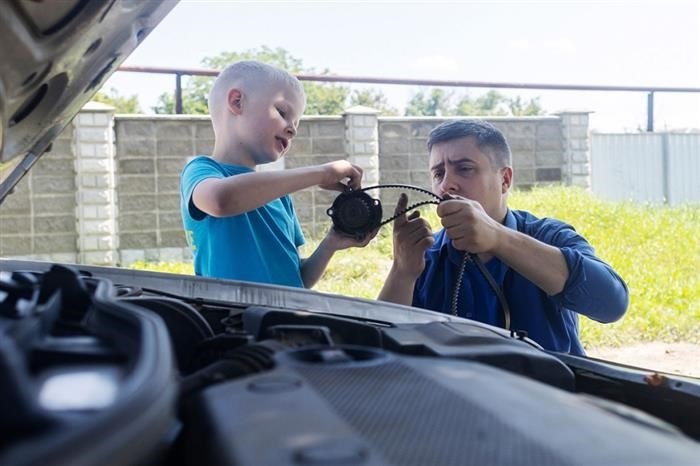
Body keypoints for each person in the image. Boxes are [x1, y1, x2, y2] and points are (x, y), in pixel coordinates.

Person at [378, 119, 628, 355]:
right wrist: (402, 272)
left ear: (505, 180)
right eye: (438, 173)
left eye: (464, 169)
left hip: (546, 394)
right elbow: (381, 352)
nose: (447, 185)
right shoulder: (426, 256)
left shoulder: (548, 237)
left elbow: (612, 304)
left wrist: (498, 239)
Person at [180, 60, 373, 288]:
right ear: (237, 102)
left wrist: (331, 242)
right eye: (282, 112)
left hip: (285, 320)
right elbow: (221, 200)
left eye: (296, 124)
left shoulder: (280, 195)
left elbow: (298, 279)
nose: (292, 129)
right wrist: (321, 174)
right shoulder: (202, 171)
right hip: (231, 321)